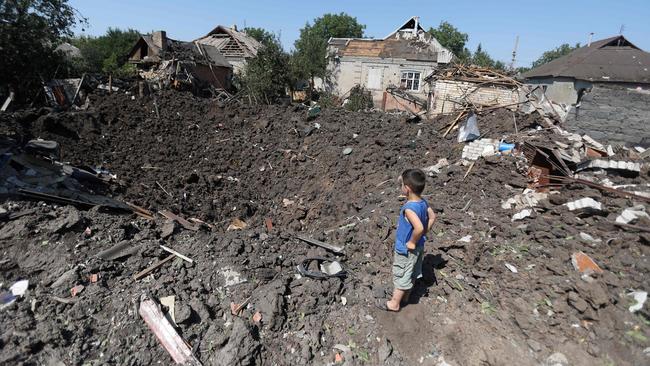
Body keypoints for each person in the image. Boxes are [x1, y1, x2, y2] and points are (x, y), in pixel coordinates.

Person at [380, 168, 436, 312]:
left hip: (407, 249)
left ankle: (394, 303)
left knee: (401, 275)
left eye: (402, 185)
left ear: (407, 189)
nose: (400, 188)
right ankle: (406, 297)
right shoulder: (423, 202)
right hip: (418, 247)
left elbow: (418, 228)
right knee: (411, 272)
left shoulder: (409, 209)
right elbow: (432, 217)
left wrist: (412, 241)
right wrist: (425, 232)